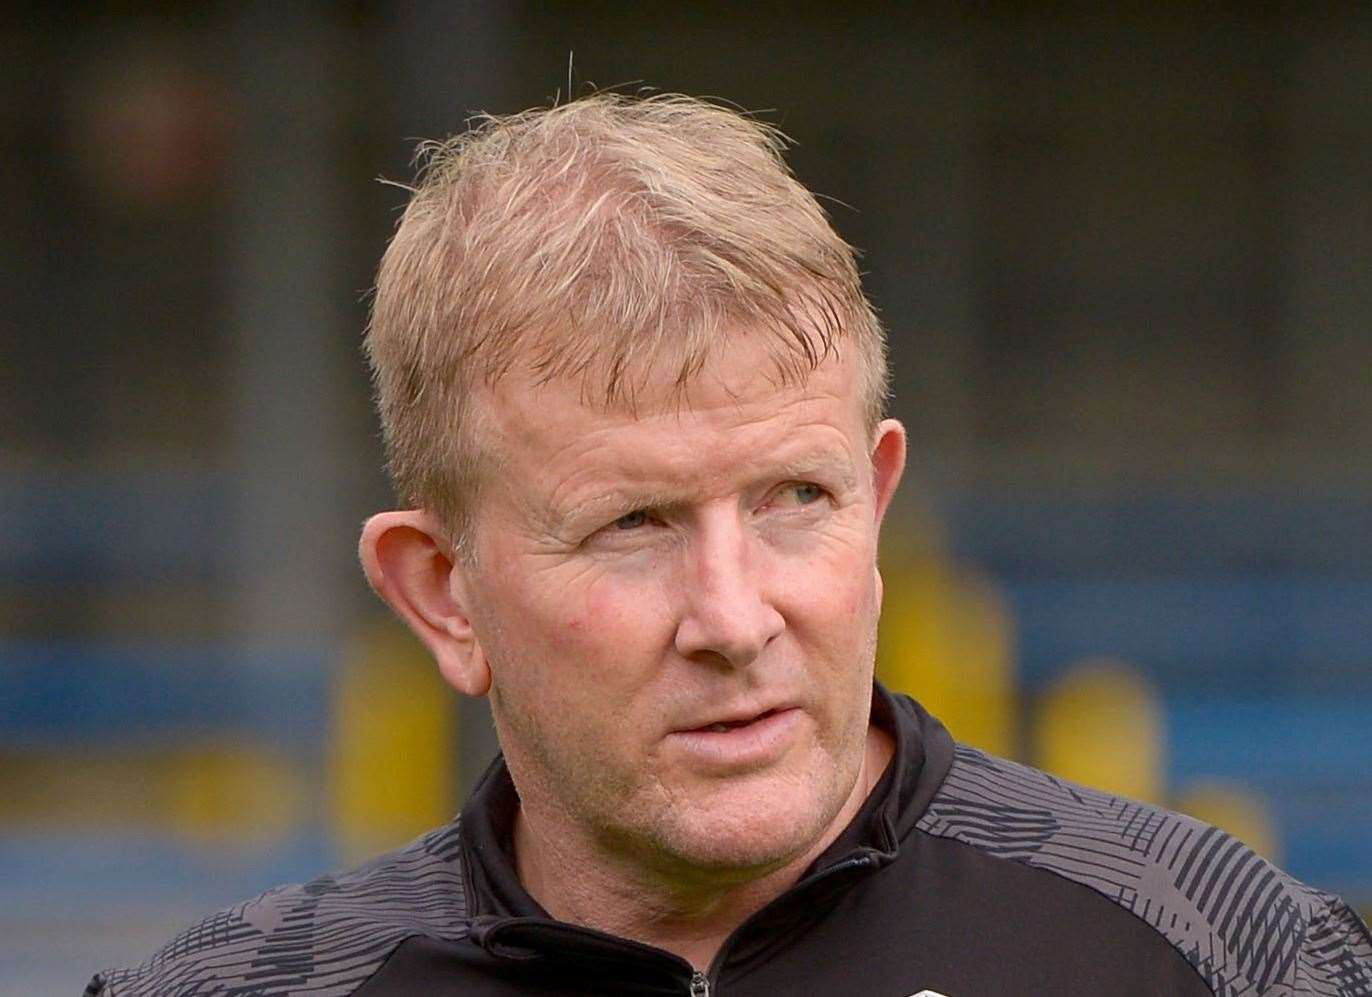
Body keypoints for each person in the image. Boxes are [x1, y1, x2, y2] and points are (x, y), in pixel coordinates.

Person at [88, 93, 1371, 997]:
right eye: (632, 524)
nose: (733, 616)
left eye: (791, 500)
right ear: (442, 596)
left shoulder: (1213, 950)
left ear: (876, 502)